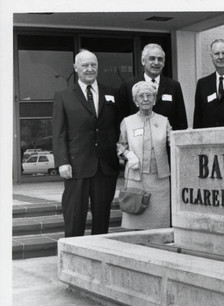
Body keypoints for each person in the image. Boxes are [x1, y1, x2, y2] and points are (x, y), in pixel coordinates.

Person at [52, 49, 120, 237]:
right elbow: (58, 132)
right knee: (74, 216)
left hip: (105, 167)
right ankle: (73, 256)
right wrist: (62, 161)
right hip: (76, 166)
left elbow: (118, 128)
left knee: (102, 218)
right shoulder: (63, 95)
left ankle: (98, 256)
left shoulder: (112, 93)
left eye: (93, 65)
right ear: (76, 68)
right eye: (85, 65)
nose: (90, 69)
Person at [117, 81, 172, 229]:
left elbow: (173, 141)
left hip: (159, 180)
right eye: (141, 96)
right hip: (136, 178)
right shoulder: (127, 122)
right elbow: (120, 146)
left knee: (160, 224)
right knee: (135, 221)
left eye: (149, 95)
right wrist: (128, 155)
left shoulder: (163, 121)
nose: (146, 99)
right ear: (135, 101)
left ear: (154, 99)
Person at [118, 43, 187, 131]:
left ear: (164, 63)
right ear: (143, 61)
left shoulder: (174, 86)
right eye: (152, 58)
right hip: (138, 142)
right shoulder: (128, 86)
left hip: (167, 142)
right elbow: (122, 120)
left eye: (160, 59)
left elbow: (181, 121)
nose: (156, 62)